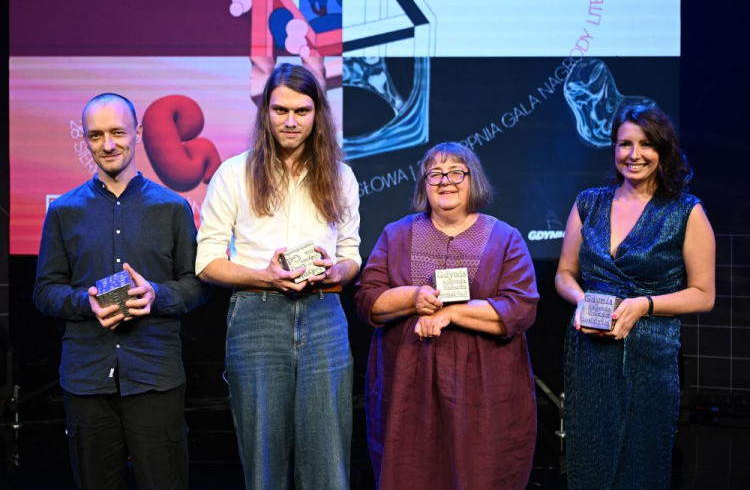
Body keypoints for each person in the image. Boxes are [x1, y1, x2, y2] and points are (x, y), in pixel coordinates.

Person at [195, 63, 361, 489]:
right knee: (264, 460)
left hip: (324, 311)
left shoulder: (340, 176)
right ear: (265, 111)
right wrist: (264, 276)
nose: (290, 121)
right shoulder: (234, 173)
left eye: (302, 111)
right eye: (280, 110)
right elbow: (207, 261)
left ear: (317, 113)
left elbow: (351, 257)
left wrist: (334, 269)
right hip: (257, 313)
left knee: (328, 460)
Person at [33, 93, 209, 489]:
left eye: (117, 133)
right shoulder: (63, 210)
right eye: (96, 136)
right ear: (85, 139)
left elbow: (197, 285)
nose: (108, 145)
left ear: (139, 133)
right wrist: (85, 302)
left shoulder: (173, 208)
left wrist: (156, 295)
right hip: (86, 377)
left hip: (154, 375)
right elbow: (44, 291)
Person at [354, 142, 539, 489]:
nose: (445, 181)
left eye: (456, 172)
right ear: (424, 183)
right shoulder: (396, 235)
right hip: (410, 387)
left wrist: (451, 314)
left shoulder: (505, 239)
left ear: (473, 179)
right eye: (435, 173)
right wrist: (415, 297)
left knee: (479, 474)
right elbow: (368, 300)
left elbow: (521, 308)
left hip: (483, 393)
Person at [555, 104, 715, 489]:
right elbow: (564, 274)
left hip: (650, 359)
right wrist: (580, 300)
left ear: (663, 150)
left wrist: (645, 305)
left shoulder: (686, 211)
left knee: (641, 466)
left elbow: (703, 295)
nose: (634, 154)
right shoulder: (588, 203)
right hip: (590, 355)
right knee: (588, 461)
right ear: (614, 149)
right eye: (624, 144)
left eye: (646, 144)